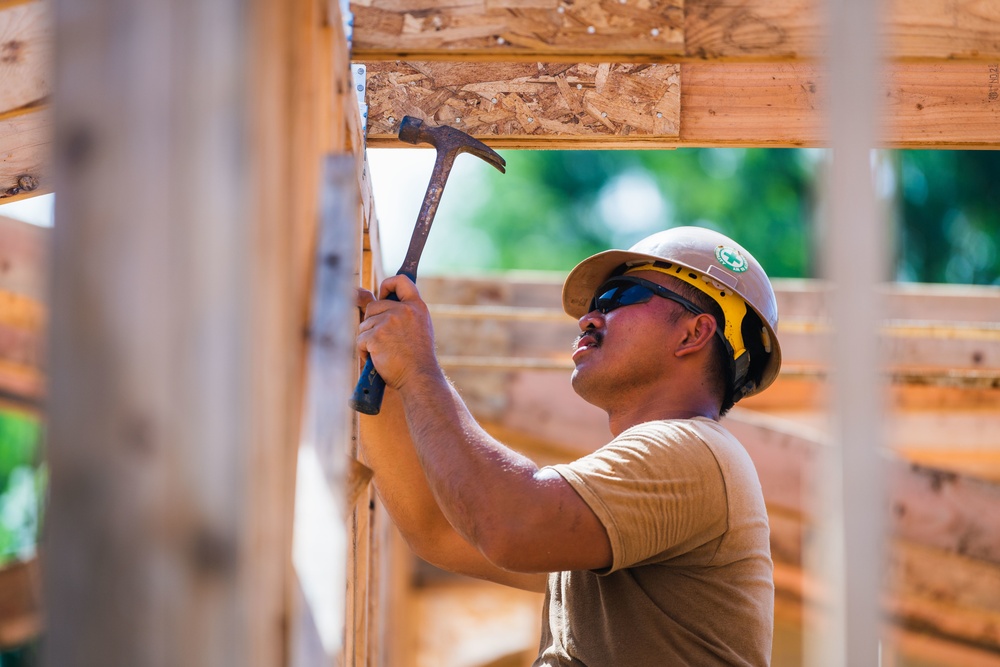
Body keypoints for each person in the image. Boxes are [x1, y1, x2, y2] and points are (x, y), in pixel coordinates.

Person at [356, 226, 782, 666]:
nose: (589, 319)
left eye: (619, 296)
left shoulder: (694, 452)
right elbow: (439, 528)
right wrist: (386, 371)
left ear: (693, 333)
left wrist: (420, 369)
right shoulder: (628, 509)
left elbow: (508, 524)